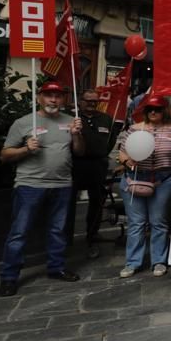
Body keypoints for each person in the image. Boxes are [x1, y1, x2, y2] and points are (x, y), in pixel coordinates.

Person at [0, 82, 84, 296]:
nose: (53, 99)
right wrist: (26, 149)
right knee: (19, 232)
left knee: (57, 230)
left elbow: (80, 152)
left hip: (62, 184)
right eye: (48, 95)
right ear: (39, 98)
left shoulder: (71, 122)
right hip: (30, 185)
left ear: (64, 99)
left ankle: (56, 267)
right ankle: (9, 277)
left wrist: (76, 135)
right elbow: (4, 155)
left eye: (58, 95)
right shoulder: (23, 122)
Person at [116, 95, 171, 279]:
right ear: (145, 111)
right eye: (150, 109)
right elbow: (121, 152)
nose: (153, 112)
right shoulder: (134, 129)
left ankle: (159, 261)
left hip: (163, 180)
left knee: (159, 222)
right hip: (135, 179)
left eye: (158, 109)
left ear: (164, 111)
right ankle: (132, 262)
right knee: (136, 223)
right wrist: (128, 162)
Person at [69, 88, 115, 260]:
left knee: (97, 202)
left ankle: (92, 235)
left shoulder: (106, 119)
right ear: (81, 101)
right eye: (88, 100)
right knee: (68, 203)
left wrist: (101, 153)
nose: (92, 104)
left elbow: (111, 141)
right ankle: (67, 238)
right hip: (75, 166)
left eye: (95, 101)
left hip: (98, 165)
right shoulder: (72, 119)